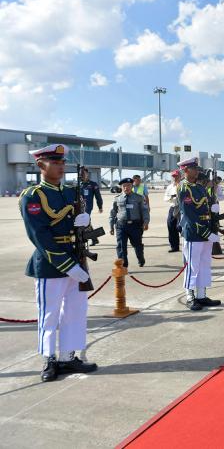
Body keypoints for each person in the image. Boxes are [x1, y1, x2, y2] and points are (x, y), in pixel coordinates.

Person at [19, 144, 98, 382]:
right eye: (55, 162)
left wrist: (84, 222)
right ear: (41, 165)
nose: (61, 167)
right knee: (49, 314)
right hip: (51, 264)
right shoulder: (33, 196)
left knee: (75, 311)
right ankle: (49, 359)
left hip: (77, 257)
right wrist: (68, 266)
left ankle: (67, 356)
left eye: (62, 162)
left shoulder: (69, 191)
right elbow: (39, 235)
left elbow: (78, 228)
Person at [177, 157, 221, 311]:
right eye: (194, 168)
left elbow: (204, 208)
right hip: (194, 233)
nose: (197, 171)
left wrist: (213, 209)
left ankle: (201, 295)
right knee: (193, 266)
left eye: (197, 168)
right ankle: (190, 296)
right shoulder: (184, 188)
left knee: (204, 265)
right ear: (186, 170)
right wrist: (206, 232)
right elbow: (189, 215)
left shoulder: (200, 187)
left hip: (206, 231)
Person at [109, 178, 149, 268]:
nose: (126, 188)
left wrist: (146, 222)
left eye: (128, 186)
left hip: (135, 225)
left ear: (132, 186)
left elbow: (144, 210)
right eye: (124, 186)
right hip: (121, 225)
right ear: (121, 187)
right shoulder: (117, 198)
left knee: (137, 245)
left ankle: (140, 259)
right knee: (121, 246)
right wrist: (111, 226)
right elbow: (113, 213)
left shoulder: (139, 198)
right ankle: (123, 265)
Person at [79, 167, 103, 246]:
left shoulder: (93, 184)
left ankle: (84, 240)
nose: (82, 175)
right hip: (79, 207)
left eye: (84, 173)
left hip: (88, 207)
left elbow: (98, 196)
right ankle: (94, 239)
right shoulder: (79, 185)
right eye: (81, 173)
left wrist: (100, 206)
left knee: (84, 222)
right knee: (86, 223)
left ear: (87, 174)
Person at [163, 170, 182, 252]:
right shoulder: (170, 187)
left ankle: (186, 244)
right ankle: (174, 246)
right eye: (173, 176)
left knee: (181, 227)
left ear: (180, 176)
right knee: (171, 226)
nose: (175, 178)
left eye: (176, 176)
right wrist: (171, 197)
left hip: (182, 208)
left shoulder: (183, 185)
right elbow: (165, 198)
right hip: (173, 207)